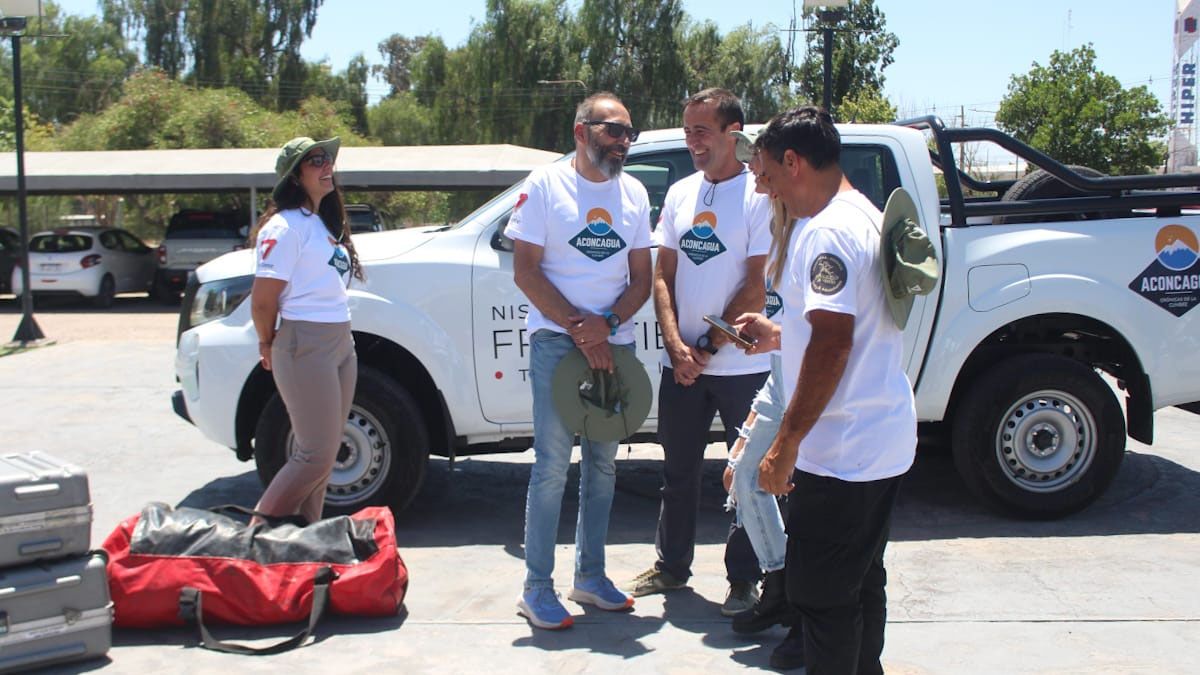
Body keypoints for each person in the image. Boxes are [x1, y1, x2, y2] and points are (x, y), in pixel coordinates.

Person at [737, 106, 917, 673]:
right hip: (878, 441)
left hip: (841, 453)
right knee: (861, 581)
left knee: (819, 596)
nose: (762, 186)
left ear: (793, 162)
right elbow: (841, 327)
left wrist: (786, 442)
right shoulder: (861, 212)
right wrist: (778, 334)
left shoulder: (827, 231)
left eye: (764, 173)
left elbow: (834, 343)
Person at [623, 88, 772, 618]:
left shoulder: (758, 196)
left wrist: (706, 346)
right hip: (681, 364)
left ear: (734, 133)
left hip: (741, 367)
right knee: (677, 470)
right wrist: (674, 342)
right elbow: (663, 275)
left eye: (702, 131)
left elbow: (756, 285)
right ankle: (671, 566)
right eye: (688, 131)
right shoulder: (682, 192)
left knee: (747, 477)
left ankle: (743, 581)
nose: (693, 142)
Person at [508, 92, 653, 630]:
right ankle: (536, 588)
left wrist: (606, 327)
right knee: (550, 467)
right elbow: (526, 271)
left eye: (628, 133)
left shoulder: (635, 194)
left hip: (613, 345)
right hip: (556, 344)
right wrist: (578, 327)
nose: (623, 142)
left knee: (603, 465)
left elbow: (641, 280)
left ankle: (589, 577)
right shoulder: (545, 186)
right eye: (613, 131)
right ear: (580, 131)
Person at [250, 136, 363, 526]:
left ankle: (307, 543)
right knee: (314, 454)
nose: (326, 164)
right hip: (304, 343)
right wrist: (266, 341)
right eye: (315, 160)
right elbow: (264, 300)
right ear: (295, 176)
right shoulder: (283, 228)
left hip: (339, 341)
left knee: (325, 456)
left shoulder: (319, 224)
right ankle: (254, 537)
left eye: (328, 158)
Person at [722, 133, 808, 642]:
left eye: (759, 166)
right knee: (740, 475)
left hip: (809, 387)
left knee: (803, 494)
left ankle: (800, 605)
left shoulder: (815, 227)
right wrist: (771, 334)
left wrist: (779, 335)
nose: (753, 175)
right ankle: (779, 586)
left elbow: (835, 331)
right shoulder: (779, 224)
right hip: (781, 378)